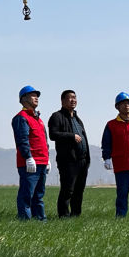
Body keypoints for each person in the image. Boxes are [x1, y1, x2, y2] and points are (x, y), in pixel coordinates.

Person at [48, 89, 90, 217]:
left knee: (79, 190)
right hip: (68, 161)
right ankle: (64, 216)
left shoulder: (77, 119)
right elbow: (53, 134)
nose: (73, 100)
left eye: (74, 97)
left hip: (82, 160)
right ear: (62, 101)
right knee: (67, 190)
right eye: (70, 98)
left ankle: (76, 215)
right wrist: (71, 136)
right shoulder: (57, 116)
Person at [12, 85, 49, 221]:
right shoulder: (21, 118)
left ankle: (41, 220)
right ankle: (25, 222)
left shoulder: (39, 119)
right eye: (33, 95)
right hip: (30, 163)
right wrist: (28, 157)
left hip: (42, 161)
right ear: (24, 99)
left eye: (37, 95)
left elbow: (44, 141)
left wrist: (47, 159)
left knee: (39, 195)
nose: (36, 98)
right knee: (26, 194)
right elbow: (22, 140)